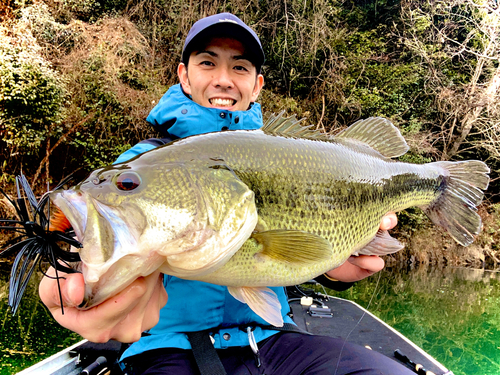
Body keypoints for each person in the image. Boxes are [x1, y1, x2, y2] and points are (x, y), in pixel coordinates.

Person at [40, 13, 414, 375]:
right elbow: (79, 243)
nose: (223, 79)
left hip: (270, 339)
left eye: (239, 67)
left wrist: (336, 270)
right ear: (184, 76)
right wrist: (67, 273)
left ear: (257, 85)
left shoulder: (288, 154)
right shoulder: (143, 163)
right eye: (207, 63)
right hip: (164, 346)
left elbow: (303, 253)